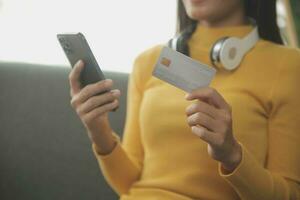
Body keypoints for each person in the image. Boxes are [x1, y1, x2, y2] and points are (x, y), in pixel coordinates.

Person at [68, 0, 300, 199]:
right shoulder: (148, 61)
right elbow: (129, 183)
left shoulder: (288, 66)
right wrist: (99, 130)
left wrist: (232, 155)